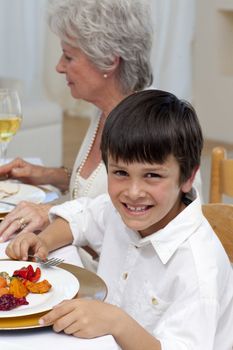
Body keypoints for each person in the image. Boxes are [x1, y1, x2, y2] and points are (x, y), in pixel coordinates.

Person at [6, 90, 233, 349]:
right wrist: (42, 240)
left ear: (188, 178)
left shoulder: (197, 268)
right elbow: (82, 217)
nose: (133, 192)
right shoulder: (119, 211)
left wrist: (118, 323)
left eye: (152, 176)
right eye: (121, 172)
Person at [0, 0, 153, 242]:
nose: (59, 67)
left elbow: (138, 225)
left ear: (109, 60)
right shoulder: (104, 112)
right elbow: (98, 186)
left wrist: (52, 213)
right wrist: (47, 174)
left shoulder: (150, 130)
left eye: (68, 56)